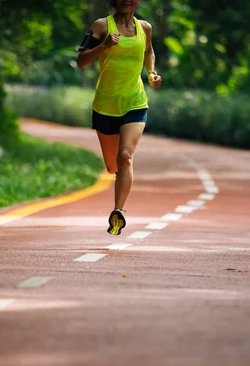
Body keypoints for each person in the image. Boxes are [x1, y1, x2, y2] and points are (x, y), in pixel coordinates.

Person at [77, 0, 163, 235]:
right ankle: (118, 187)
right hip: (105, 106)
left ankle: (118, 211)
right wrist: (103, 46)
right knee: (113, 165)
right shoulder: (102, 26)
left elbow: (149, 51)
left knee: (125, 157)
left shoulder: (145, 28)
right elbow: (81, 60)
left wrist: (152, 73)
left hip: (135, 102)